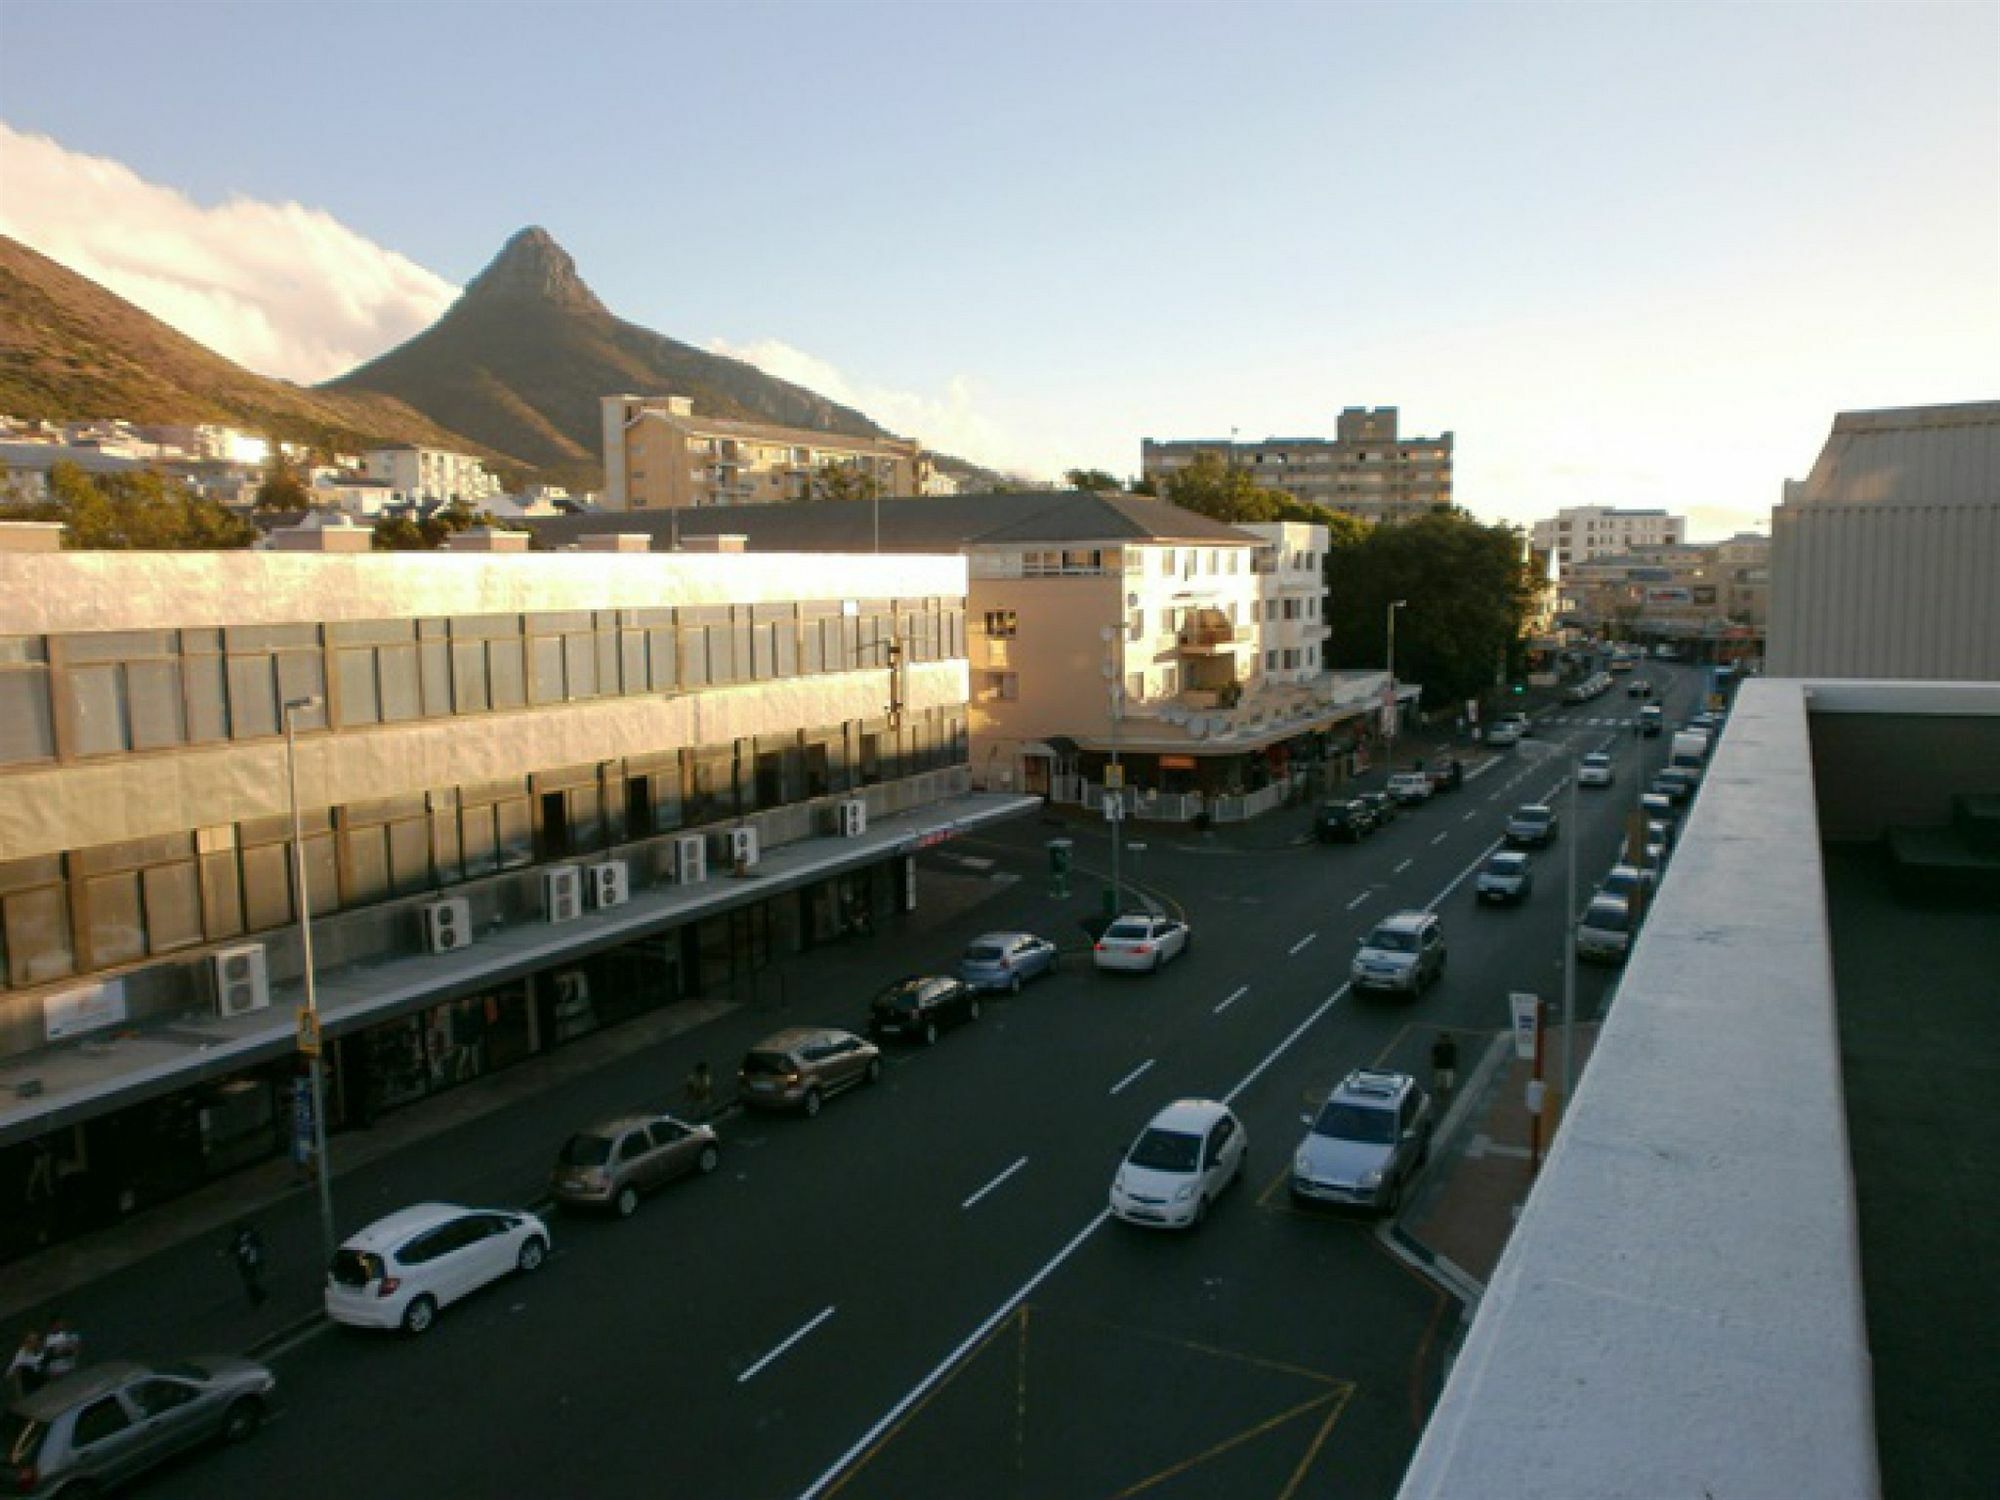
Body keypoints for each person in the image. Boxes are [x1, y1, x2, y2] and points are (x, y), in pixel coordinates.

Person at [232, 1222, 269, 1309]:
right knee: (250, 1282)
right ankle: (259, 1298)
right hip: (247, 1264)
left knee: (250, 1282)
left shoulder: (242, 1241)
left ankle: (259, 1298)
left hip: (246, 1265)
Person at [7, 1329, 45, 1399]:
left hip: (39, 1382)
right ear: (28, 1342)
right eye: (35, 1341)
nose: (37, 1342)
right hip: (29, 1386)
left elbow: (39, 1362)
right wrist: (21, 1396)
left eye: (37, 1340)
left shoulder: (36, 1351)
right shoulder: (21, 1355)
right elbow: (13, 1373)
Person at [1431, 1030, 1460, 1102]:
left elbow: (1454, 1058)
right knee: (1439, 1085)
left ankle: (1447, 1098)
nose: (1443, 1041)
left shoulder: (1452, 1047)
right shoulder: (1436, 1047)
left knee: (1447, 1086)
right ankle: (1441, 1097)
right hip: (1439, 1068)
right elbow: (1434, 1058)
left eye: (1444, 1039)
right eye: (1442, 1039)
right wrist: (1434, 1068)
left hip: (1448, 1069)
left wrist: (1455, 1069)